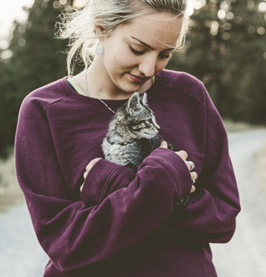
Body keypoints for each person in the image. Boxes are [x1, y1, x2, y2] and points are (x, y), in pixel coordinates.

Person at [14, 0, 241, 276]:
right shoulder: (44, 110)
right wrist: (161, 184)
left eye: (165, 54)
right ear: (101, 28)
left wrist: (117, 185)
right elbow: (67, 245)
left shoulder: (189, 96)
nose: (148, 68)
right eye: (138, 49)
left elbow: (223, 218)